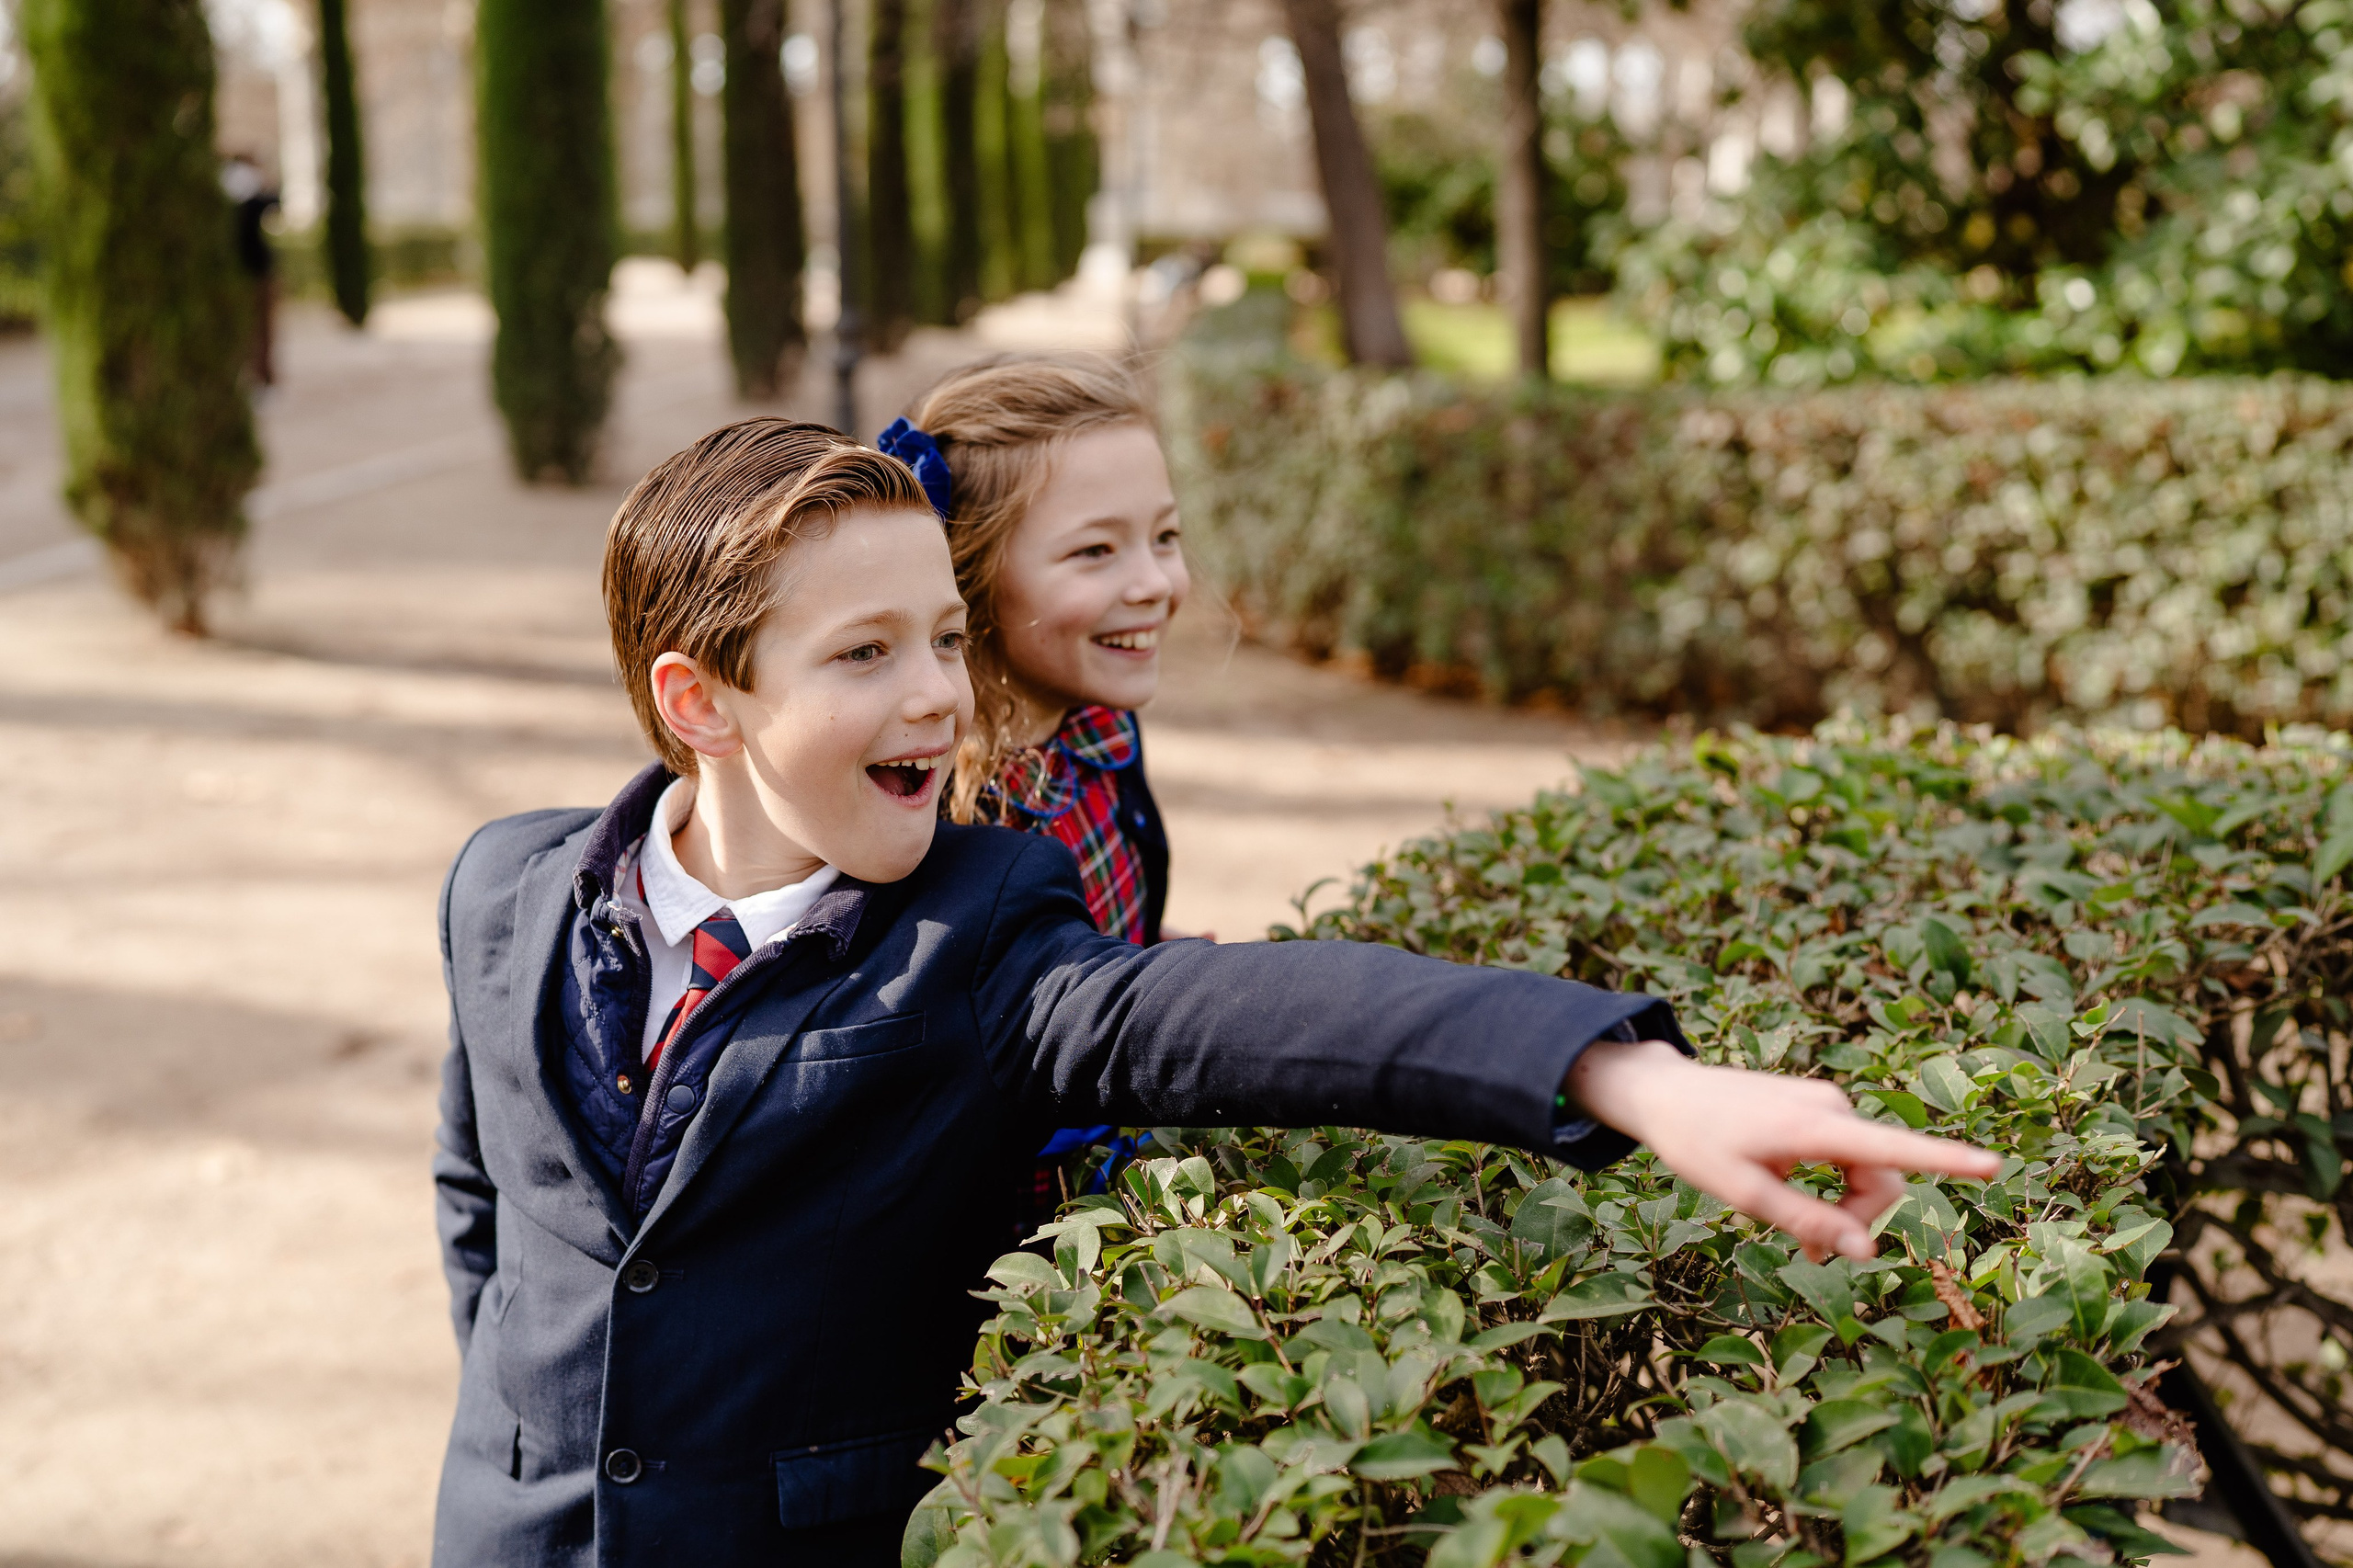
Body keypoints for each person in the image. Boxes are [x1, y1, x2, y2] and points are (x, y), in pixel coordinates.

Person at [428, 416, 1997, 1567]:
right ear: (700, 702)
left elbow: (1271, 1020)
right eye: (865, 654)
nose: (937, 694)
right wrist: (518, 1428)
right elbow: (481, 1194)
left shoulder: (983, 934)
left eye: (950, 640)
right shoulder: (504, 884)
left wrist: (1626, 1076)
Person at [880, 355, 1183, 1223]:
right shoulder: (930, 813)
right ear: (969, 578)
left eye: (1165, 536)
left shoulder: (1098, 733)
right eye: (1096, 550)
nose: (1156, 583)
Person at [222, 153, 279, 387]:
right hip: (253, 272)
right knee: (257, 329)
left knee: (255, 330)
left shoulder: (236, 189)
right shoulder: (244, 189)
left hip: (249, 271)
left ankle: (259, 377)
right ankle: (259, 377)